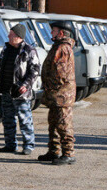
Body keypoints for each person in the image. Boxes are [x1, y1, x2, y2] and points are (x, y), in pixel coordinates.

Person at [0, 24, 40, 155]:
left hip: (20, 93)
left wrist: (25, 85)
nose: (8, 36)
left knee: (25, 120)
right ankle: (10, 145)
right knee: (7, 119)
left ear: (18, 37)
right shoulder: (6, 49)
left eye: (11, 34)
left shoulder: (29, 51)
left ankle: (28, 146)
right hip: (6, 90)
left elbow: (35, 70)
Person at [38, 20, 77, 165]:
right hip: (56, 95)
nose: (51, 33)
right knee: (53, 124)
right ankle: (53, 151)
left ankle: (68, 153)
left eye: (53, 30)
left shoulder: (63, 48)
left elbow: (60, 74)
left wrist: (51, 87)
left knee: (64, 124)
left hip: (62, 95)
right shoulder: (58, 46)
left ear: (61, 33)